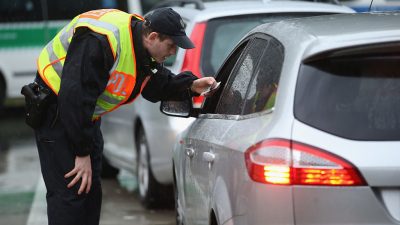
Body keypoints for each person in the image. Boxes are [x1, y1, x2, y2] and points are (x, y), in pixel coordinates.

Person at [25, 7, 216, 225]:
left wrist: (190, 86)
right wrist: (81, 152)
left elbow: (153, 82)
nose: (173, 52)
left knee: (89, 194)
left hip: (83, 118)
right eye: (171, 45)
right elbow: (74, 96)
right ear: (153, 37)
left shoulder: (140, 45)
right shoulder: (100, 40)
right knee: (70, 197)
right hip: (57, 112)